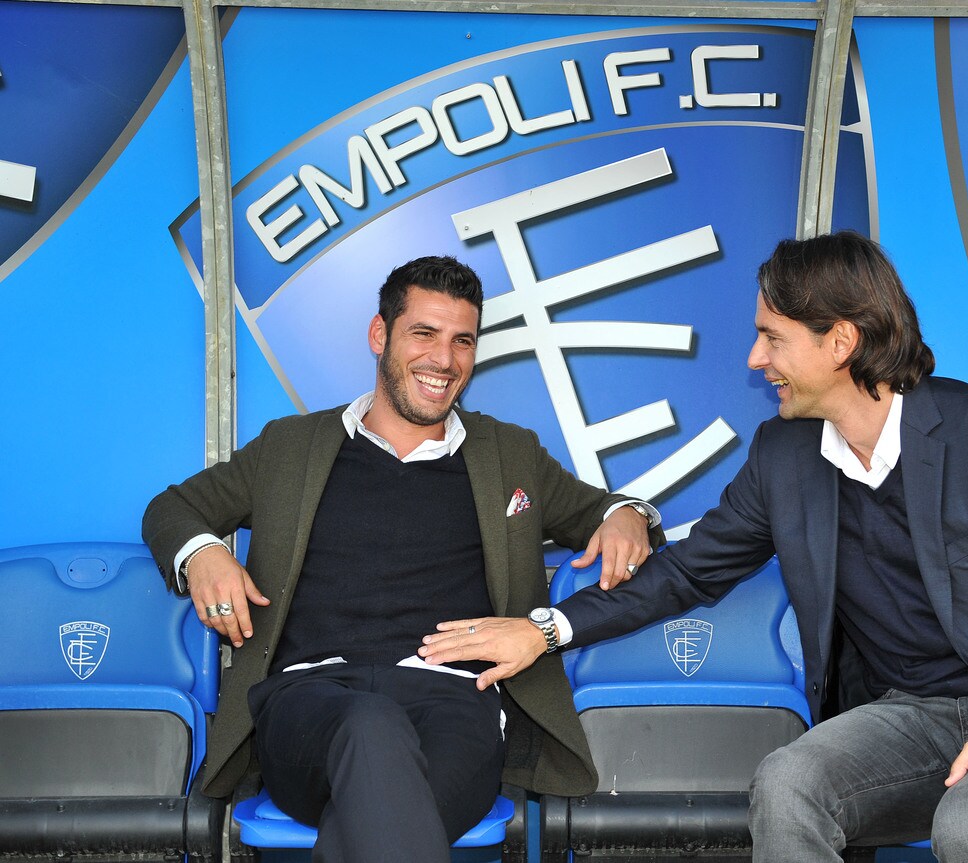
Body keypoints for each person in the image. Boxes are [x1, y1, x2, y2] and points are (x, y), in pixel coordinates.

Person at [420, 232, 968, 862]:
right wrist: (547, 628)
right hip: (908, 715)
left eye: (771, 337)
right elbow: (686, 573)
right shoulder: (784, 456)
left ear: (841, 341)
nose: (755, 360)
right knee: (789, 781)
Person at [142, 256, 664, 863]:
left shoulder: (509, 454)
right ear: (379, 334)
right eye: (424, 333)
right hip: (310, 702)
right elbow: (171, 510)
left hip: (457, 705)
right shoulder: (290, 447)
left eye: (462, 341)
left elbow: (604, 511)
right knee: (372, 727)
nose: (444, 359)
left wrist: (630, 514)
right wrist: (204, 553)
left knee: (380, 807)